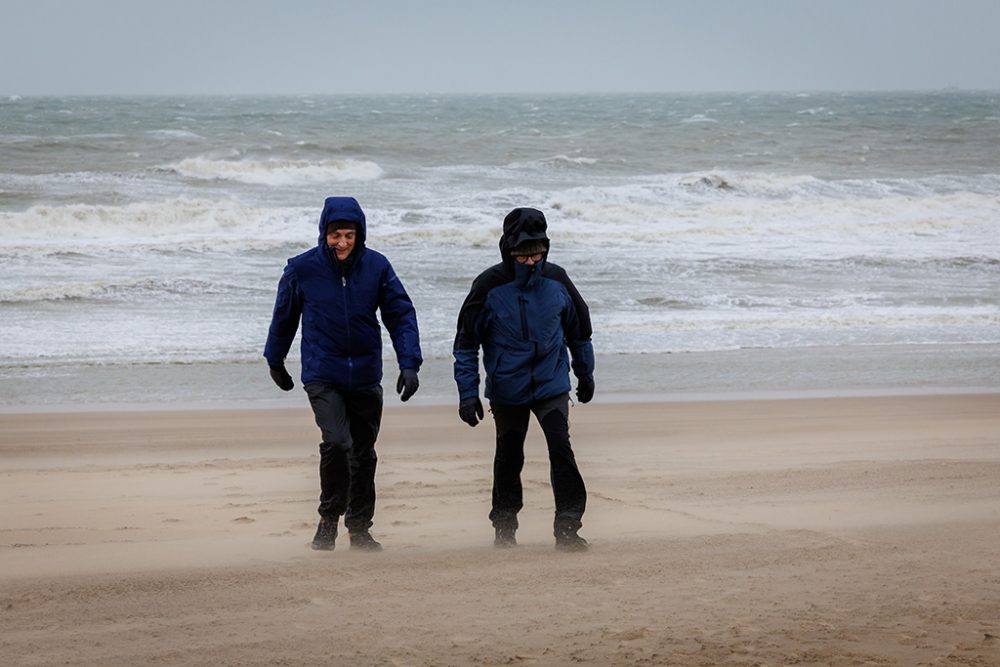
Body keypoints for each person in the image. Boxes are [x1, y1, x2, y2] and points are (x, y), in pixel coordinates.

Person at [264, 196, 422, 552]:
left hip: (366, 374)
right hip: (323, 372)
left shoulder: (377, 267)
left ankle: (360, 527)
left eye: (349, 235)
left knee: (363, 453)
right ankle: (328, 518)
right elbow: (284, 316)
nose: (342, 243)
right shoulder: (302, 268)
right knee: (337, 442)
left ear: (359, 235)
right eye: (335, 235)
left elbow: (400, 314)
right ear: (324, 233)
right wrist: (275, 360)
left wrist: (409, 362)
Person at [453, 207, 595, 552]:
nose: (531, 260)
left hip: (551, 383)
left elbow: (580, 331)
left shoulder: (558, 280)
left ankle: (567, 527)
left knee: (561, 448)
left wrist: (585, 372)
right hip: (507, 387)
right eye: (522, 254)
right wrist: (467, 393)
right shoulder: (489, 285)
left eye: (537, 253)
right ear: (508, 250)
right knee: (509, 455)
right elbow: (466, 344)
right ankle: (504, 525)